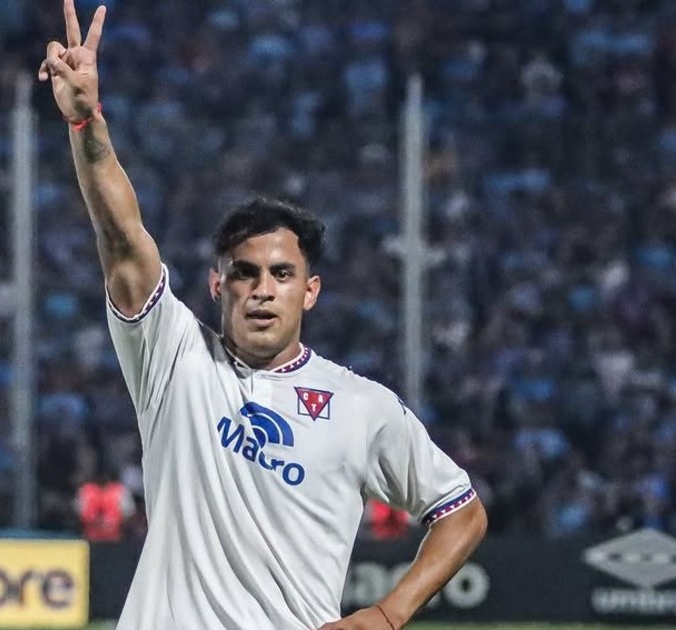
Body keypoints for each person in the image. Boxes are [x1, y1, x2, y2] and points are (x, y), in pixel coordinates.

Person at [38, 2, 488, 628]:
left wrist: (389, 614)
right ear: (217, 285)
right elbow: (123, 239)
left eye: (282, 275)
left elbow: (462, 512)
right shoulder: (173, 357)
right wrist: (86, 123)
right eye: (244, 273)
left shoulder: (361, 406)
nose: (262, 290)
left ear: (311, 291)